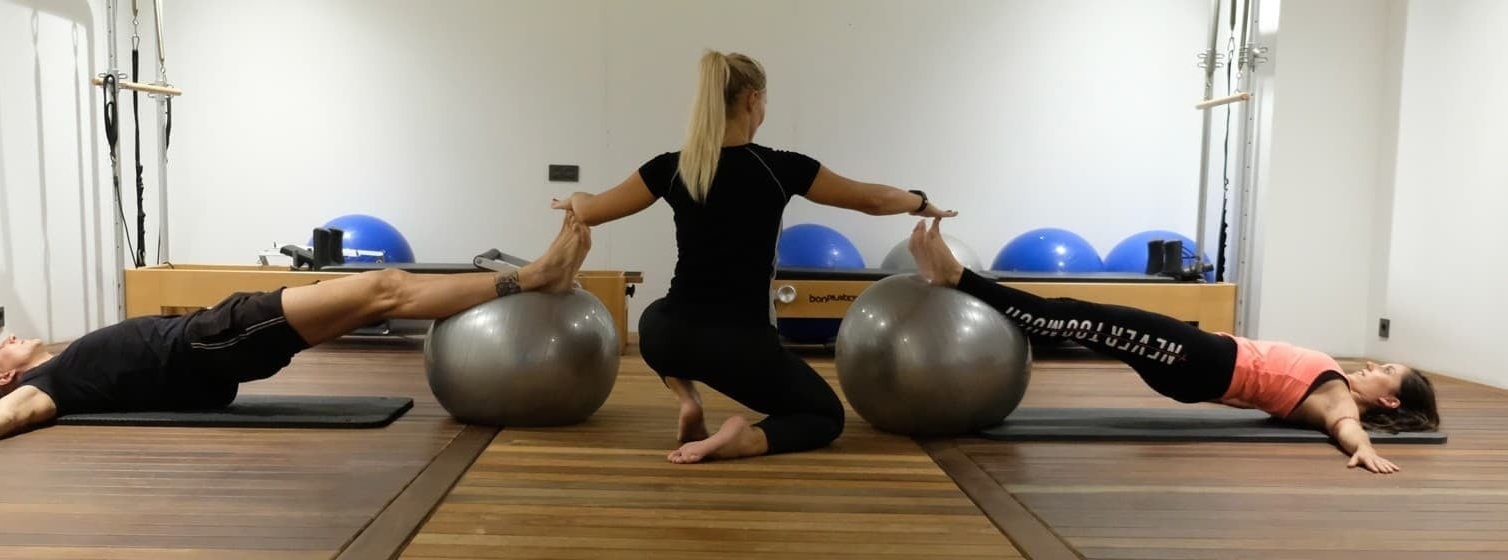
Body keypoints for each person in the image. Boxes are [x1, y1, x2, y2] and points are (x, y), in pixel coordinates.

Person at [0, 213, 592, 467]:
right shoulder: (41, 389)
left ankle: (534, 276)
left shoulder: (60, 362)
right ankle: (536, 276)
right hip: (213, 339)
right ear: (4, 379)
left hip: (215, 336)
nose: (8, 340)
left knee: (381, 296)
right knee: (386, 288)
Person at [551, 50, 957, 464]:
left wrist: (572, 198)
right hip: (741, 346)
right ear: (752, 100)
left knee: (654, 315)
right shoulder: (781, 168)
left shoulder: (672, 167)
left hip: (670, 336)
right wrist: (922, 203)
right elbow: (871, 199)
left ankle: (687, 398)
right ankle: (745, 438)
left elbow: (591, 210)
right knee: (824, 415)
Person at [905, 217, 1439, 474]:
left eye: (1385, 369)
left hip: (1201, 360)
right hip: (1197, 362)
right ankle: (960, 280)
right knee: (1082, 323)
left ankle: (959, 278)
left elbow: (1344, 425)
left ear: (1389, 400)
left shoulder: (1339, 400)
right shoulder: (1338, 387)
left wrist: (1363, 447)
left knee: (1078, 318)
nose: (1372, 364)